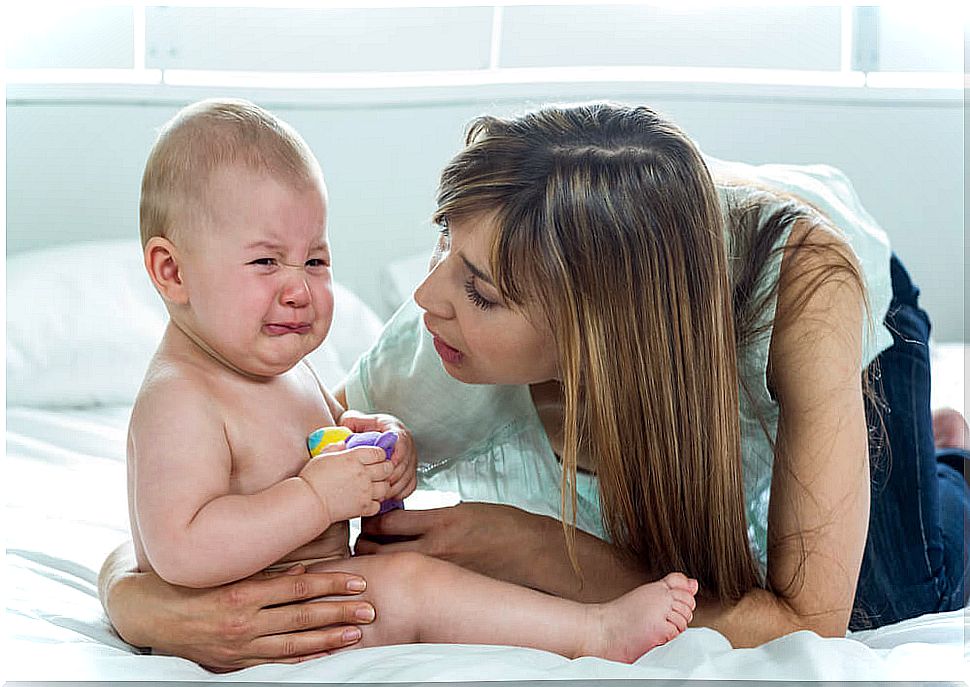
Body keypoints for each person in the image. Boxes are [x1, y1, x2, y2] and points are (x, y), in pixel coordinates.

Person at [100, 102, 968, 668]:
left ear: (594, 332)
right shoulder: (432, 347)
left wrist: (527, 543)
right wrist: (142, 605)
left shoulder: (808, 295)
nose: (427, 297)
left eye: (481, 289)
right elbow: (191, 504)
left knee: (895, 591)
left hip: (829, 308)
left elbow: (807, 619)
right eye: (447, 246)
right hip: (667, 282)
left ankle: (934, 456)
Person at [115, 97, 698, 671]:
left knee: (419, 581)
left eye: (315, 262)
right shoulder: (180, 399)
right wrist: (316, 498)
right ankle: (594, 632)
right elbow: (182, 548)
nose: (299, 290)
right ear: (172, 271)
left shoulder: (277, 365)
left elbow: (315, 441)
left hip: (307, 599)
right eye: (266, 263)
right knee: (412, 587)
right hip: (254, 624)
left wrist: (372, 439)